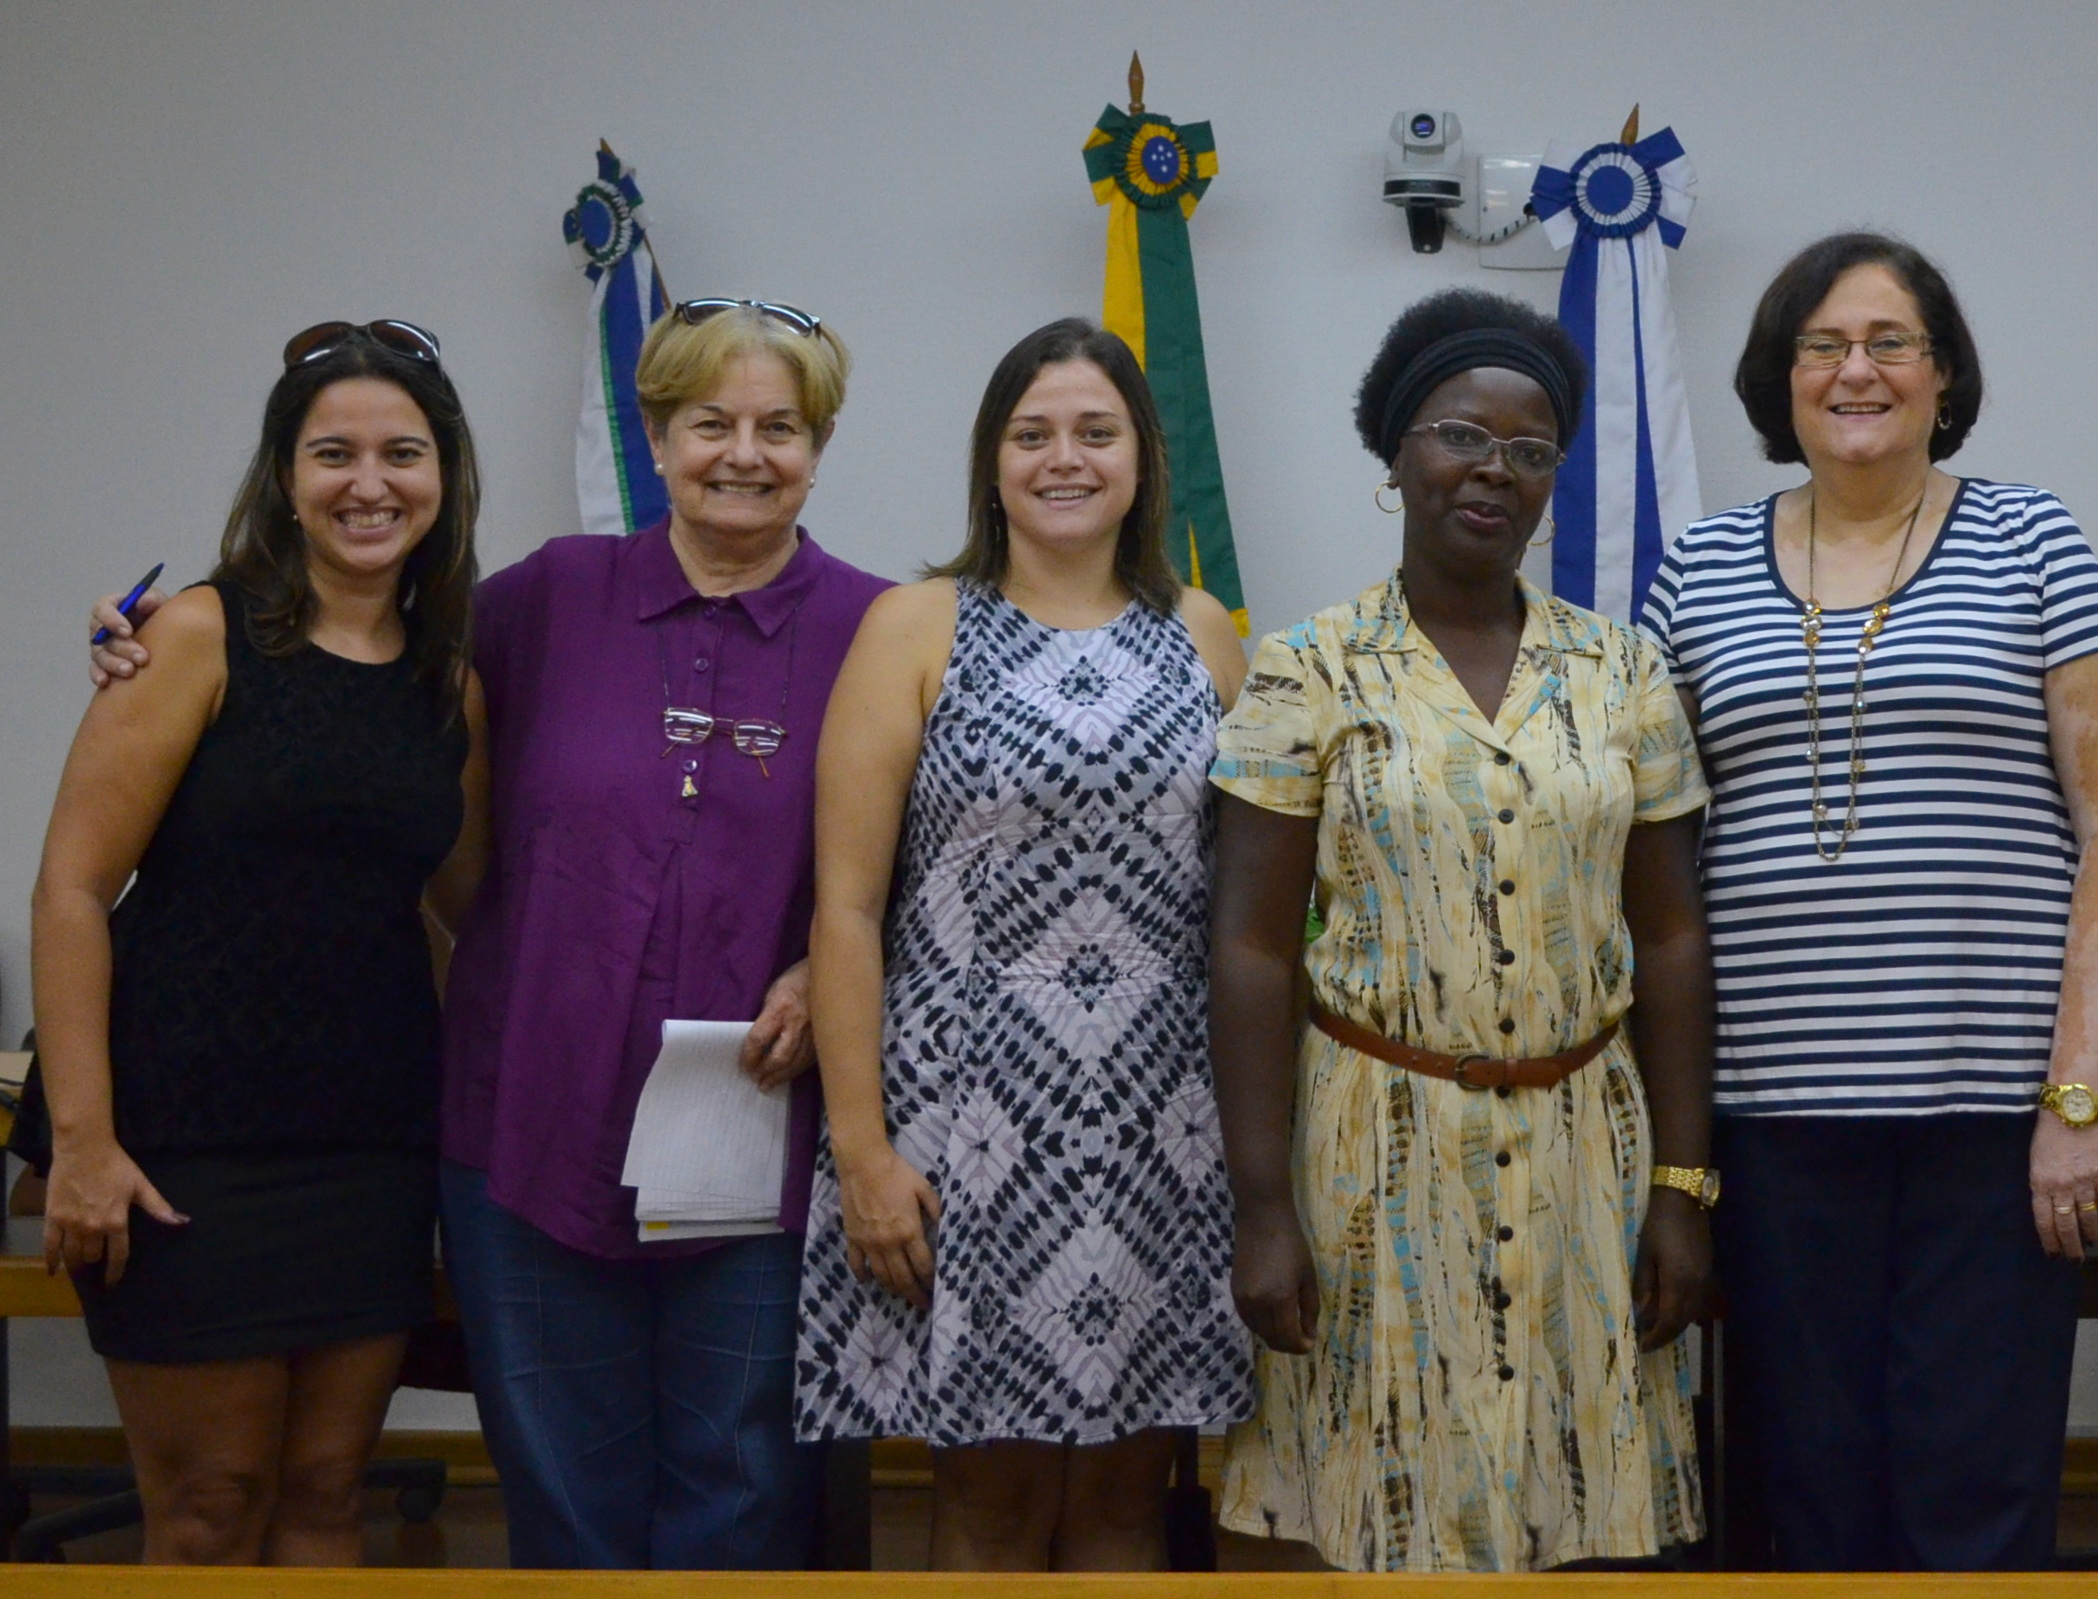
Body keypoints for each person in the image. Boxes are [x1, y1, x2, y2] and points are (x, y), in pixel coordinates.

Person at [103, 299, 895, 1567]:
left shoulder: (885, 626)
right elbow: (336, 652)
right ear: (656, 437)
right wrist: (140, 641)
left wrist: (821, 963)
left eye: (779, 428)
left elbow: (931, 860)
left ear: (821, 444)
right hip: (528, 1116)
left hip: (757, 1130)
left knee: (740, 1488)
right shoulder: (537, 602)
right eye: (709, 425)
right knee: (562, 1489)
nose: (742, 454)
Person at [1638, 232, 2098, 1572]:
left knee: (1971, 1494)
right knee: (1794, 1493)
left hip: (1991, 1125)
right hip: (1768, 1118)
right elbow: (1642, 853)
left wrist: (2074, 1096)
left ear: (1940, 375)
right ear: (1779, 375)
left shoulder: (2029, 534)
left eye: (1887, 342)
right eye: (1821, 343)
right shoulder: (1692, 570)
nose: (1853, 369)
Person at [1205, 289, 1713, 1572]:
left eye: (1530, 450)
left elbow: (1668, 939)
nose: (1493, 470)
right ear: (1395, 453)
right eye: (1457, 436)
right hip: (1368, 1151)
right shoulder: (1306, 668)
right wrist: (1263, 1205)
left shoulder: (1623, 672)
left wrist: (1681, 1189)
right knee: (1371, 1514)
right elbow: (1253, 947)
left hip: (1584, 1151)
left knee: (1582, 1513)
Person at [793, 318, 1253, 1570]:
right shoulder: (916, 624)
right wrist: (863, 1149)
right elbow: (844, 908)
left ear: (1141, 460)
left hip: (1162, 1131)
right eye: (1032, 433)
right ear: (991, 463)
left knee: (1122, 1503)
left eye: (1095, 433)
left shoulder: (1205, 634)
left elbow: (1243, 901)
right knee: (986, 1508)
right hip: (964, 1130)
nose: (1065, 458)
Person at [29, 320, 485, 1564]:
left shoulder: (449, 679)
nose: (369, 483)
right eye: (332, 452)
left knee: (328, 1490)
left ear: (444, 474)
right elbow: (71, 889)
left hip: (369, 1140)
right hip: (183, 1143)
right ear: (284, 476)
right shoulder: (192, 636)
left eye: (402, 452)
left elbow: (469, 904)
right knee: (210, 1503)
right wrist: (81, 1143)